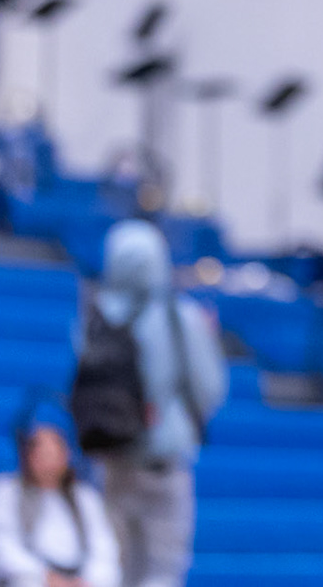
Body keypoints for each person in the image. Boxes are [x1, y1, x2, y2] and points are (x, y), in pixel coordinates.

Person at [82, 222, 225, 587]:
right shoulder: (181, 316)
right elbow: (210, 388)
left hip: (108, 458)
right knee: (162, 570)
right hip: (162, 461)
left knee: (111, 566)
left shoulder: (93, 316)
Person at [0, 416, 120, 587]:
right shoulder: (5, 491)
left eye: (54, 454)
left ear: (66, 456)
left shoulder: (85, 497)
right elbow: (3, 547)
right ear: (29, 456)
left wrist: (85, 582)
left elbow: (104, 549)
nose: (49, 462)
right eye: (43, 454)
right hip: (27, 578)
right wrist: (46, 578)